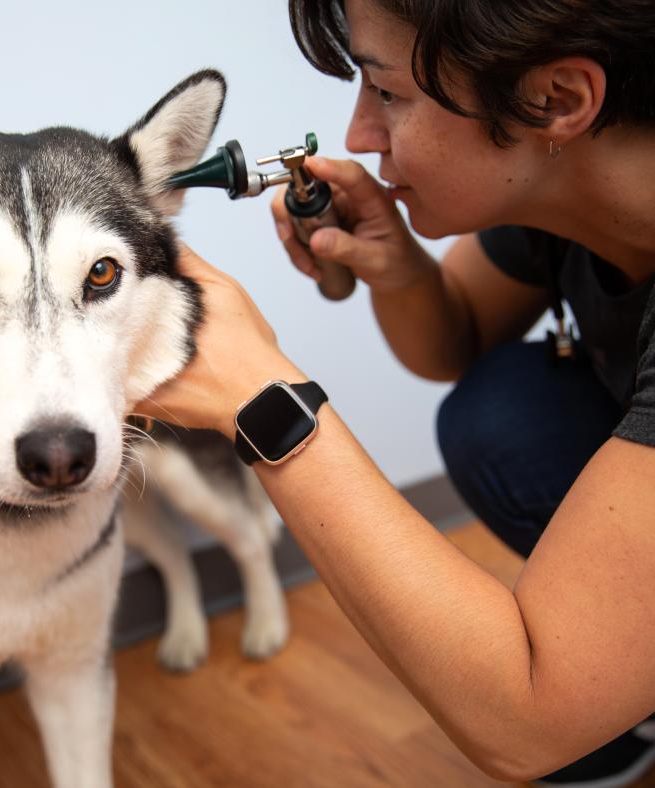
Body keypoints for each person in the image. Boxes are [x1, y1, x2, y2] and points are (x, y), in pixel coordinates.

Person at [135, 0, 655, 784]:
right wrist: (400, 267)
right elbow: (456, 340)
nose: (356, 136)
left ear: (558, 100)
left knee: (551, 695)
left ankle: (610, 688)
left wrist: (262, 396)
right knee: (500, 412)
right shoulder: (573, 190)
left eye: (388, 93)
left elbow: (523, 727)